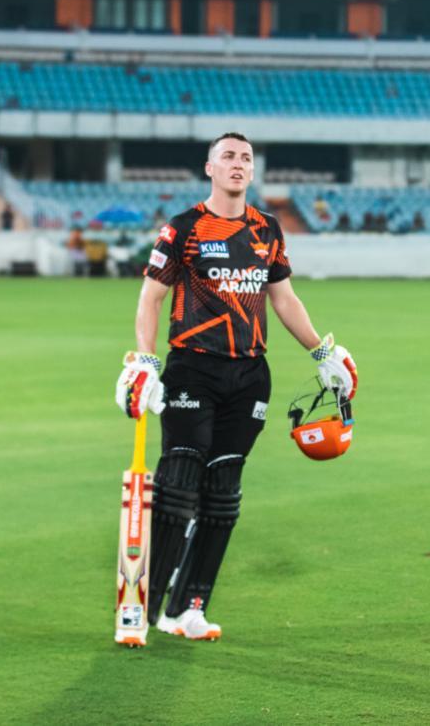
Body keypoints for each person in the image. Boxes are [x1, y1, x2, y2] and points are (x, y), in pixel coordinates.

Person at [114, 132, 358, 642]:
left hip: (249, 377)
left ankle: (189, 607)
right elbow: (151, 297)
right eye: (228, 156)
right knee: (179, 482)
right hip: (192, 369)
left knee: (223, 494)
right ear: (210, 167)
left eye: (246, 158)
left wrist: (321, 352)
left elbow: (283, 298)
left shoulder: (267, 229)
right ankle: (145, 606)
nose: (238, 164)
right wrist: (146, 361)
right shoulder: (183, 228)